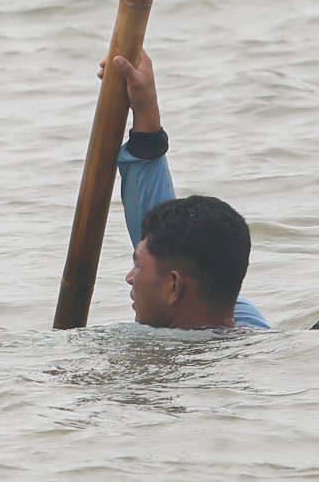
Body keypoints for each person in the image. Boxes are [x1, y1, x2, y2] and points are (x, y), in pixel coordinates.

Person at [105, 53, 270, 331]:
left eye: (138, 266)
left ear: (173, 285)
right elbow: (173, 243)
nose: (130, 278)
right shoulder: (245, 321)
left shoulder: (160, 357)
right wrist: (145, 113)